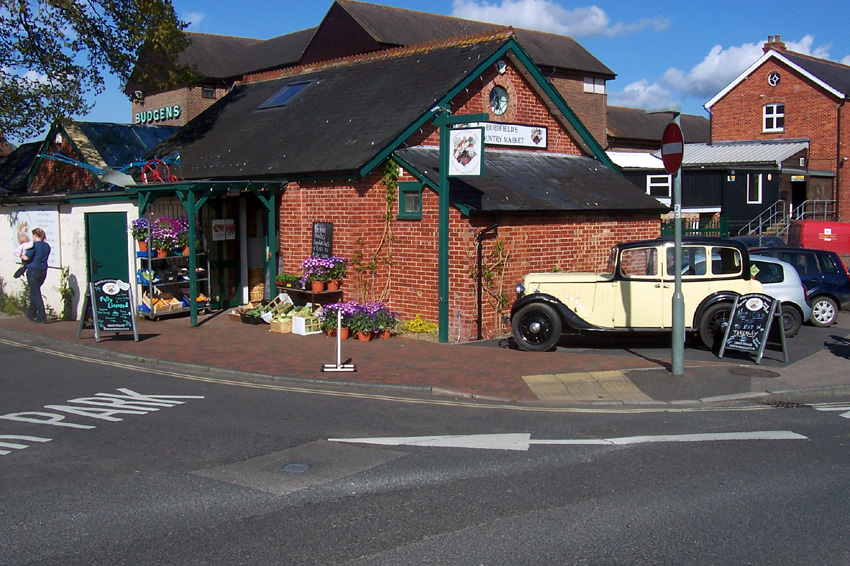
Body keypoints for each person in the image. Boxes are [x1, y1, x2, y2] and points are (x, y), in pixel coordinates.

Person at [22, 227, 50, 323]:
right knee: (34, 291)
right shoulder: (47, 246)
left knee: (36, 293)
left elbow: (26, 257)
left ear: (34, 235)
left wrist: (21, 254)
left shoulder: (34, 245)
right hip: (43, 271)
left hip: (33, 270)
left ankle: (42, 316)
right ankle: (31, 313)